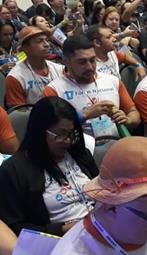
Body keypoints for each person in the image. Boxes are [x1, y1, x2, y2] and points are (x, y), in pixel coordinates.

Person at [0, 97, 98, 236]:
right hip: (59, 238)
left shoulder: (80, 155)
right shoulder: (14, 170)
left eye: (72, 134)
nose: (68, 141)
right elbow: (13, 227)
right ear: (39, 132)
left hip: (100, 226)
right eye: (61, 134)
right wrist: (63, 229)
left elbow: (104, 189)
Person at [42, 35, 141, 137]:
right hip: (79, 145)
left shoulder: (112, 81)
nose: (89, 67)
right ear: (66, 61)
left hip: (117, 142)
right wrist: (85, 115)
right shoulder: (54, 90)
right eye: (82, 62)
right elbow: (51, 130)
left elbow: (134, 114)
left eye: (92, 60)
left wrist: (127, 120)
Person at [5, 26, 64, 108]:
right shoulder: (15, 77)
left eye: (47, 40)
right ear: (25, 48)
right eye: (39, 41)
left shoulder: (60, 69)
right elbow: (18, 113)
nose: (47, 45)